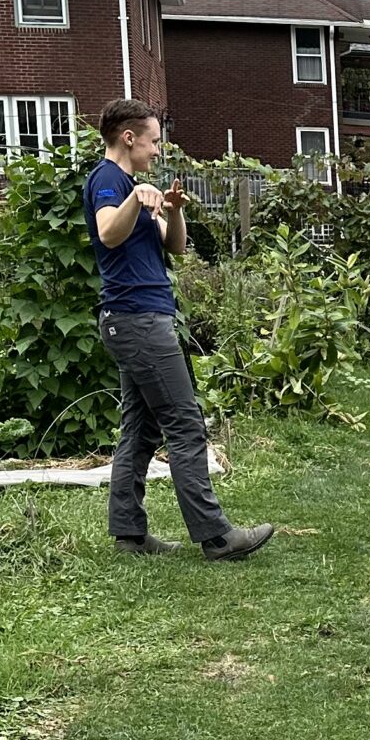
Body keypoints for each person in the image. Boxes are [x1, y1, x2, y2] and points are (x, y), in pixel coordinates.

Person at [84, 99, 273, 562]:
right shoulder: (109, 181)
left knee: (141, 429)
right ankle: (217, 537)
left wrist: (174, 208)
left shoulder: (132, 185)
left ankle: (129, 534)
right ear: (129, 138)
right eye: (152, 140)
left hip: (139, 319)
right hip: (138, 320)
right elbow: (108, 232)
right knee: (184, 426)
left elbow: (177, 246)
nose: (156, 149)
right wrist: (137, 196)